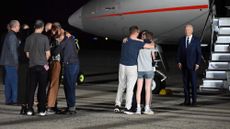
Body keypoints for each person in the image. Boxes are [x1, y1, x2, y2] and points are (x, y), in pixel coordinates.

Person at [114, 25, 154, 114]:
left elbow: (131, 39)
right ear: (136, 32)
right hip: (131, 67)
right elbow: (151, 46)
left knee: (121, 85)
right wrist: (142, 40)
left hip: (122, 66)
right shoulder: (137, 43)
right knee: (130, 88)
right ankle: (127, 108)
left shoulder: (125, 41)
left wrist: (134, 39)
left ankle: (117, 104)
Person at [24, 20, 51, 116]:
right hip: (42, 67)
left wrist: (34, 59)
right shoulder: (45, 38)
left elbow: (27, 54)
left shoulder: (28, 38)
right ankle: (42, 110)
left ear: (34, 27)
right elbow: (48, 54)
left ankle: (29, 109)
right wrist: (43, 59)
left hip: (32, 66)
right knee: (42, 89)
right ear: (42, 27)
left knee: (31, 89)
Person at [54, 28, 80, 114]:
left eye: (57, 38)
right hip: (75, 64)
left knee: (69, 86)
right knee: (70, 86)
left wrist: (57, 43)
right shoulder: (71, 38)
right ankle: (71, 106)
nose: (57, 40)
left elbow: (55, 52)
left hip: (70, 65)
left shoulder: (64, 42)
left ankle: (71, 108)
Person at [177, 24, 201, 106]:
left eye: (188, 30)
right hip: (184, 65)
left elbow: (199, 53)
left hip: (193, 66)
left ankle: (194, 101)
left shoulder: (196, 40)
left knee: (193, 84)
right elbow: (179, 52)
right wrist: (179, 62)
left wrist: (198, 63)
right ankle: (187, 100)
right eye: (185, 30)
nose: (186, 31)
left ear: (192, 31)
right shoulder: (181, 40)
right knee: (185, 84)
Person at [0, 20, 20, 105]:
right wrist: (16, 62)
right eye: (19, 25)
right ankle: (14, 100)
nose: (19, 27)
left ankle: (8, 100)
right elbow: (13, 51)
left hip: (6, 62)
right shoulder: (12, 36)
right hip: (11, 62)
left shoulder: (9, 35)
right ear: (15, 26)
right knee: (14, 82)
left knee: (8, 82)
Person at [136, 31, 156, 115]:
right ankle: (147, 108)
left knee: (139, 90)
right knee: (147, 89)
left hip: (140, 69)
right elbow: (154, 57)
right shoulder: (151, 45)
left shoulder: (137, 44)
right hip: (148, 69)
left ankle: (138, 109)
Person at [17, 24, 31, 114]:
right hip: (28, 65)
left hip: (21, 65)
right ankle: (27, 106)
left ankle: (23, 106)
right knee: (28, 86)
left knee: (22, 86)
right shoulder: (29, 41)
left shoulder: (19, 41)